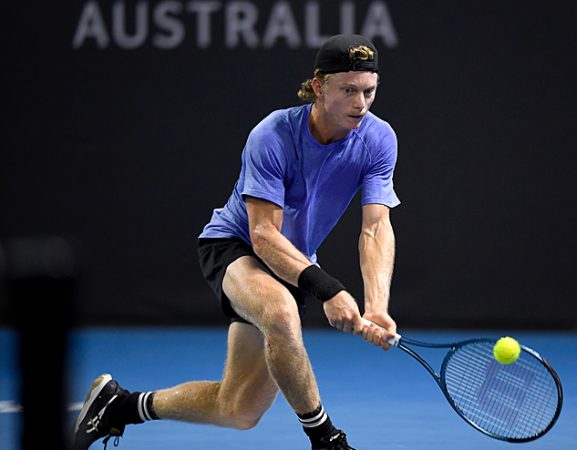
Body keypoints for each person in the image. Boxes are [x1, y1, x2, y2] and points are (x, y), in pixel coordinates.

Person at [71, 33, 400, 450]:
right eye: (348, 90)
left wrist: (377, 306)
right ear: (319, 86)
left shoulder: (379, 139)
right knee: (282, 313)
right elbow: (263, 236)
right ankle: (327, 441)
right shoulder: (273, 135)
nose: (361, 102)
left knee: (238, 410)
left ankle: (120, 406)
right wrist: (328, 288)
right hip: (235, 246)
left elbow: (375, 228)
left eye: (369, 91)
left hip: (294, 261)